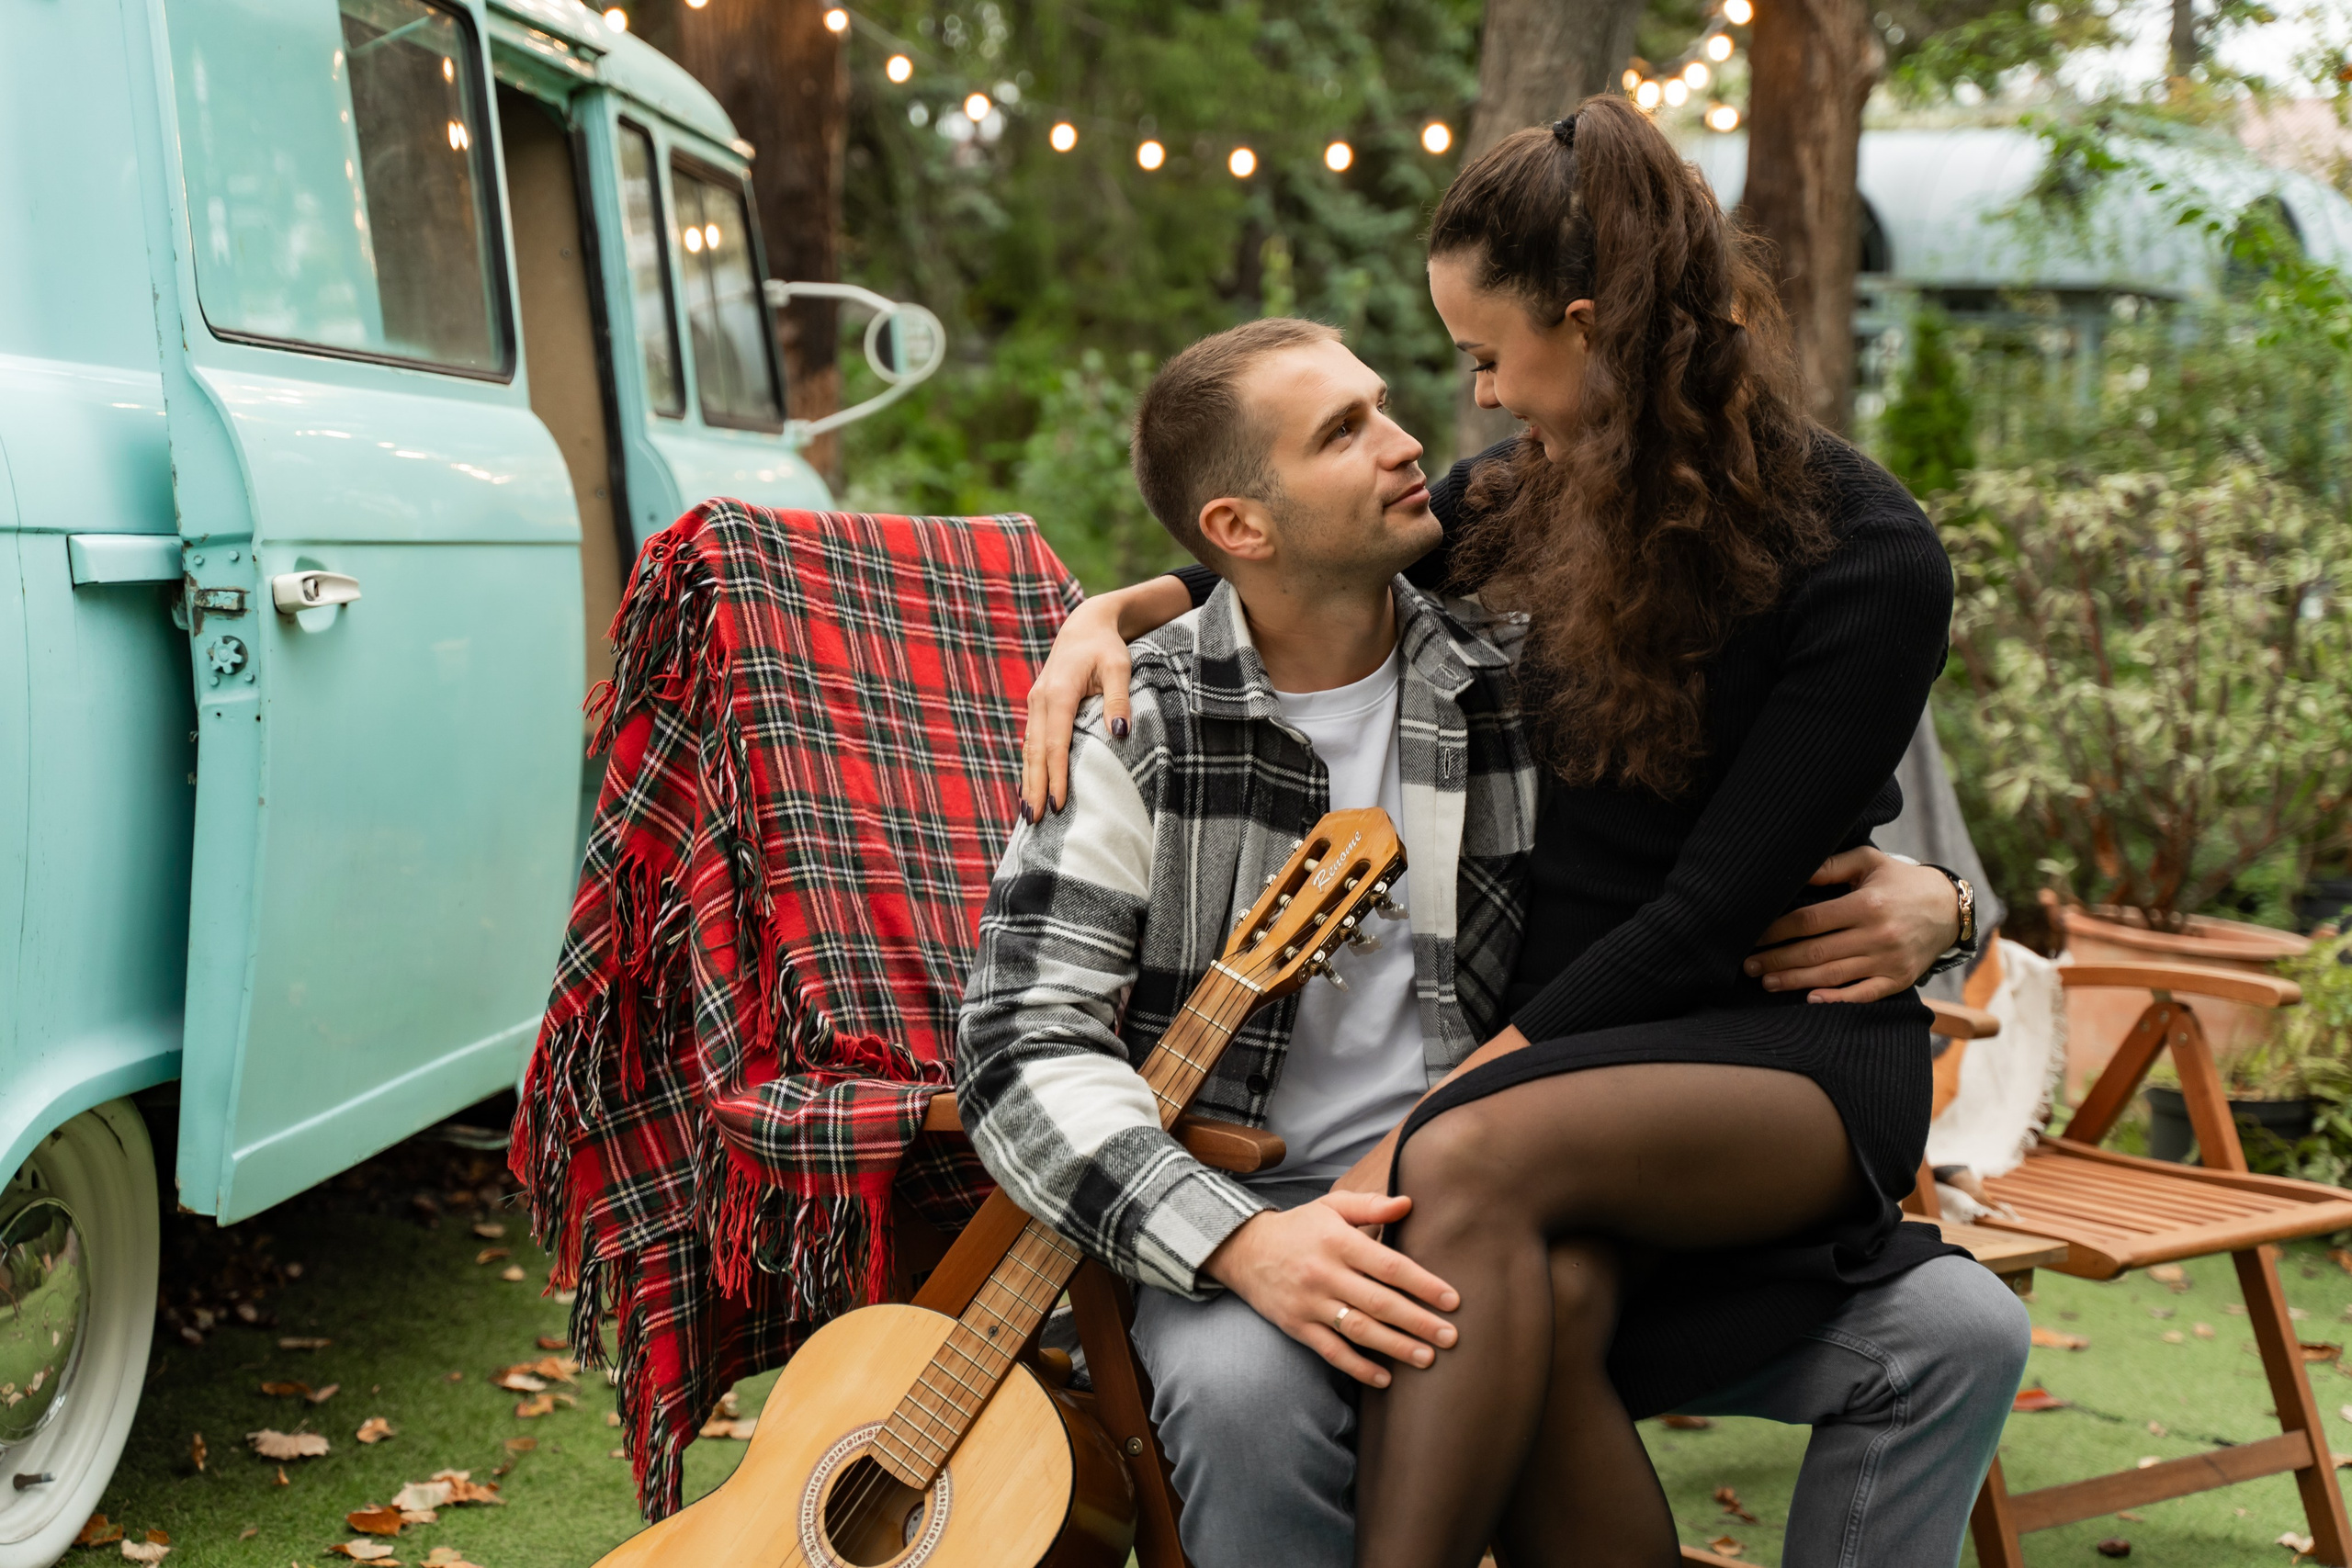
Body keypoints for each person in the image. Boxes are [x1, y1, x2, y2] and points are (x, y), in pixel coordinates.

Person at [964, 322, 2021, 1567]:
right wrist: (1237, 1241)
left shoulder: (1531, 689)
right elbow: (1019, 1043)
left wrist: (1944, 902)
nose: (1411, 441)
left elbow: (1745, 849)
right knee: (1246, 1396)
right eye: (1343, 432)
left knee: (1959, 1330)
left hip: (1536, 1200)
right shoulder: (1137, 731)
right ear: (1241, 527)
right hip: (1251, 1207)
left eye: (1383, 405)